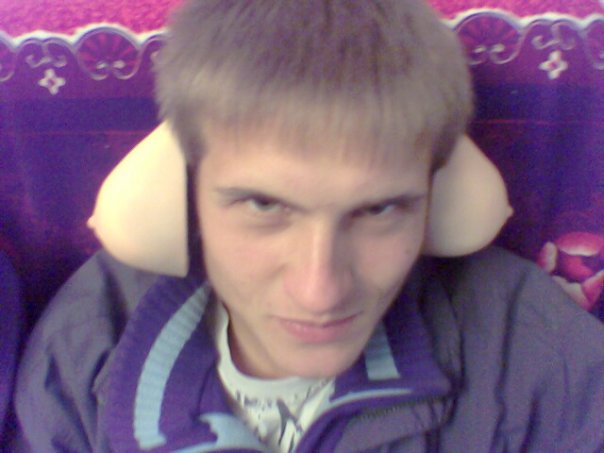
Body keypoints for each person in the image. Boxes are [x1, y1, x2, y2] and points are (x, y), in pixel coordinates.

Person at [14, 1, 604, 452]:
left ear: (434, 200)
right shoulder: (90, 348)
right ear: (187, 194)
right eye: (262, 206)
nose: (320, 292)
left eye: (379, 210)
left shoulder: (532, 356)